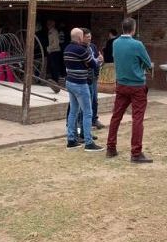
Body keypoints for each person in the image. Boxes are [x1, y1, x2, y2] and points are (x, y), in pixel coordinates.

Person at [106, 17, 153, 163]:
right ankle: (136, 152)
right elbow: (147, 63)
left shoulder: (116, 43)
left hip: (121, 84)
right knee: (137, 118)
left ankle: (111, 147)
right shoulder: (137, 44)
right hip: (137, 85)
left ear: (122, 28)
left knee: (116, 116)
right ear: (133, 28)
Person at [63, 28, 104, 152]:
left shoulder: (67, 49)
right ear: (80, 38)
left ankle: (71, 140)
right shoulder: (80, 50)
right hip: (80, 84)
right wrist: (99, 60)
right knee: (88, 112)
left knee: (73, 111)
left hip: (70, 82)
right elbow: (93, 64)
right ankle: (88, 142)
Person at [83, 28, 105, 130]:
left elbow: (98, 60)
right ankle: (82, 125)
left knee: (94, 100)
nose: (89, 39)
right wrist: (96, 61)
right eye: (87, 37)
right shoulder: (81, 48)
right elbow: (89, 62)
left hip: (94, 77)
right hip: (85, 78)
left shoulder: (93, 46)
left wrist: (100, 60)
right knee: (85, 101)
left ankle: (94, 120)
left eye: (90, 37)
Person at [46, 19, 63, 84]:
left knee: (54, 67)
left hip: (55, 51)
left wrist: (48, 48)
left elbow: (56, 43)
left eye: (49, 24)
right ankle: (54, 81)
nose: (48, 25)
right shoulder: (50, 31)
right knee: (52, 67)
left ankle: (55, 81)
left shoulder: (54, 32)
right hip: (52, 51)